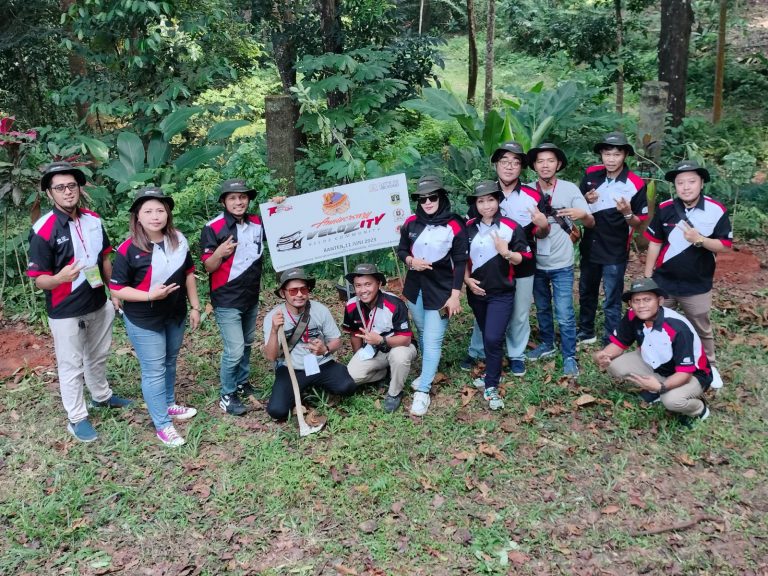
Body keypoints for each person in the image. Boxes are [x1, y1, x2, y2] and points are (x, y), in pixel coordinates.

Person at [27, 161, 133, 443]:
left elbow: (105, 257)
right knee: (71, 364)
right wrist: (60, 277)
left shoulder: (93, 220)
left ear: (79, 189)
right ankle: (77, 417)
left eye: (71, 185)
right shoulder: (43, 229)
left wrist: (114, 291)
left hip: (99, 300)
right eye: (60, 187)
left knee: (98, 354)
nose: (67, 192)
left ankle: (101, 395)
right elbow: (39, 279)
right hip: (65, 310)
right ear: (50, 193)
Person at [109, 187, 200, 447]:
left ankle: (169, 404)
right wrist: (149, 295)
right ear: (138, 216)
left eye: (160, 210)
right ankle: (162, 424)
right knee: (153, 371)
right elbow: (116, 288)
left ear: (168, 214)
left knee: (170, 361)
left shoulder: (178, 240)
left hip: (175, 313)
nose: (155, 216)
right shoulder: (128, 249)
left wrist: (194, 307)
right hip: (143, 318)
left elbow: (189, 274)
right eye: (148, 211)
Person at [460, 142, 551, 377]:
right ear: (496, 165)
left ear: (521, 167)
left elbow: (542, 232)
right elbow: (470, 234)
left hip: (522, 262)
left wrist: (543, 226)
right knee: (484, 308)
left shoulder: (533, 196)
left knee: (520, 312)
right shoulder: (482, 195)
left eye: (515, 162)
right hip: (486, 267)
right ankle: (478, 350)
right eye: (504, 162)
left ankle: (516, 354)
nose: (509, 167)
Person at [643, 160, 731, 389]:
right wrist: (647, 277)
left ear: (701, 183)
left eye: (691, 181)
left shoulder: (716, 210)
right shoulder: (665, 209)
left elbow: (724, 245)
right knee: (657, 324)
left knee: (700, 326)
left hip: (697, 283)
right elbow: (654, 243)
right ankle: (662, 364)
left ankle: (709, 367)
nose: (686, 187)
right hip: (664, 281)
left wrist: (699, 240)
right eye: (680, 183)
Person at [593, 278, 712, 424]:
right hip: (657, 363)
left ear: (660, 301)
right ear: (630, 304)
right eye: (636, 301)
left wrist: (661, 387)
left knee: (671, 401)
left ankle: (699, 410)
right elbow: (618, 344)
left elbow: (685, 372)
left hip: (693, 374)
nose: (641, 305)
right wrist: (603, 355)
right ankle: (655, 390)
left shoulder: (678, 328)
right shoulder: (632, 315)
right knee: (615, 365)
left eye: (647, 299)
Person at [397, 175, 468, 416]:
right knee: (424, 333)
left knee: (433, 339)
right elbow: (402, 249)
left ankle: (423, 390)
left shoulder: (455, 225)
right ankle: (428, 370)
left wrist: (455, 295)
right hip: (416, 287)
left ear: (441, 197)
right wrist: (410, 260)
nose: (427, 202)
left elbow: (460, 262)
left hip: (442, 288)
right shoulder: (410, 223)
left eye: (432, 197)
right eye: (422, 198)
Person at [525, 143, 595, 377]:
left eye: (550, 160)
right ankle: (547, 343)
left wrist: (583, 214)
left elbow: (590, 223)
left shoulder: (569, 189)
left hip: (562, 263)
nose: (545, 165)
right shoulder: (526, 191)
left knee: (564, 312)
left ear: (558, 164)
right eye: (540, 161)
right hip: (535, 263)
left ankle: (569, 355)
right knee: (542, 307)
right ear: (534, 165)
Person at [464, 181, 532, 410]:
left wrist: (507, 253)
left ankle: (491, 383)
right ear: (475, 204)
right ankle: (494, 372)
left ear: (498, 201)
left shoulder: (511, 227)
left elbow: (526, 257)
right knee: (487, 335)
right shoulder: (468, 227)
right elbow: (460, 259)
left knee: (493, 338)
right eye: (480, 201)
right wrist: (466, 280)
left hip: (501, 293)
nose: (486, 205)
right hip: (476, 292)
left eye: (491, 200)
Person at [201, 179, 264, 416]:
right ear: (224, 201)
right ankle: (227, 394)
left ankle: (242, 382)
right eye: (232, 198)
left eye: (243, 197)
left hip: (251, 295)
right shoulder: (213, 227)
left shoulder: (258, 222)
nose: (238, 202)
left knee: (247, 343)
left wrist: (280, 206)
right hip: (226, 298)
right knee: (235, 349)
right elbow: (208, 266)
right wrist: (219, 253)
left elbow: (282, 226)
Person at [578, 132, 648, 346]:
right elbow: (577, 204)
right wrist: (585, 199)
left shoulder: (635, 183)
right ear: (601, 154)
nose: (611, 159)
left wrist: (627, 212)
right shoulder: (591, 174)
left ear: (625, 155)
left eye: (616, 154)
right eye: (607, 154)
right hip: (590, 244)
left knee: (611, 296)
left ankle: (612, 337)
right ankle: (586, 331)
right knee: (586, 291)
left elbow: (639, 222)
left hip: (616, 248)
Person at [263, 268, 356, 421]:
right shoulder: (274, 317)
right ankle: (300, 389)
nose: (299, 294)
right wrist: (274, 330)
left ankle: (313, 387)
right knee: (277, 411)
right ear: (282, 293)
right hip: (291, 368)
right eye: (293, 291)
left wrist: (325, 349)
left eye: (303, 289)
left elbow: (337, 340)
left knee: (347, 387)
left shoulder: (320, 310)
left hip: (322, 363)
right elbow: (271, 356)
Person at [343, 263, 418, 413]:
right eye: (358, 285)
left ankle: (395, 392)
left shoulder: (395, 303)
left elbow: (406, 339)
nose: (363, 290)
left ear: (379, 283)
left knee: (399, 356)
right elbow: (354, 333)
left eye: (368, 284)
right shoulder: (351, 306)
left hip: (399, 345)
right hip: (373, 349)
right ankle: (384, 373)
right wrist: (359, 355)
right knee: (351, 376)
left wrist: (381, 341)